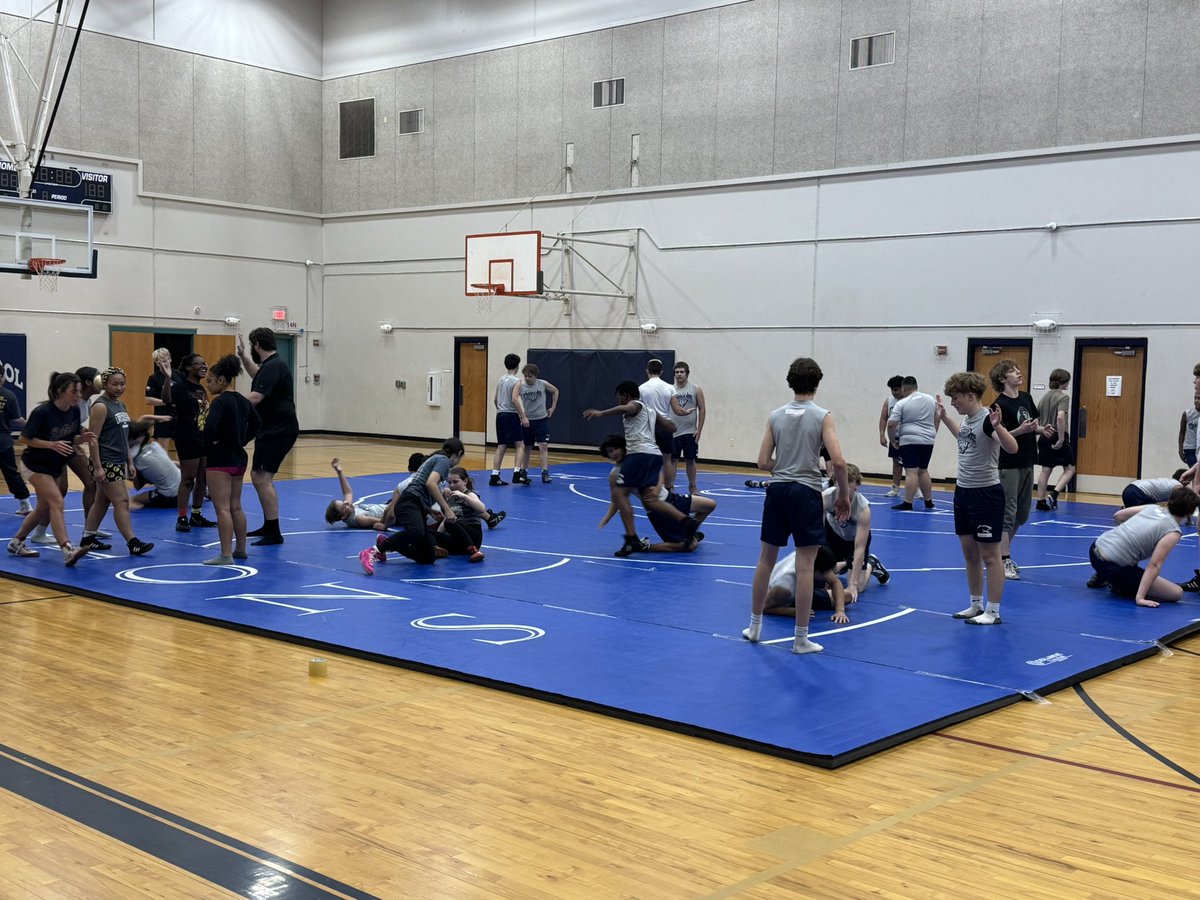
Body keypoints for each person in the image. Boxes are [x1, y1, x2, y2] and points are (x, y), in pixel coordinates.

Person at [742, 357, 849, 655]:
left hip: (778, 490)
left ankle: (754, 626)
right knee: (805, 567)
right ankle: (800, 639)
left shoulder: (775, 415)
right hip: (806, 492)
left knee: (765, 560)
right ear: (817, 383)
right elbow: (839, 461)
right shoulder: (823, 416)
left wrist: (785, 466)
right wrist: (843, 494)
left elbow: (762, 462)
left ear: (790, 382)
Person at [935, 372, 1018, 625]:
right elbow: (964, 437)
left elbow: (1012, 448)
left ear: (971, 396)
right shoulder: (969, 420)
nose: (953, 403)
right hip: (963, 492)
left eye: (956, 398)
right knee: (970, 554)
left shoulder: (987, 420)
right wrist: (945, 418)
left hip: (985, 494)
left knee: (990, 556)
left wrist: (999, 427)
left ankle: (993, 611)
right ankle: (975, 604)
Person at [583, 382, 698, 557]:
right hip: (654, 455)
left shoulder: (634, 405)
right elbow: (671, 427)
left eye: (619, 397)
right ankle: (685, 521)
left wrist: (601, 413)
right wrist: (655, 425)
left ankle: (632, 538)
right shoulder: (650, 411)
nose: (619, 401)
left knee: (619, 493)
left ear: (626, 395)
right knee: (649, 499)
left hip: (639, 453)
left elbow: (626, 408)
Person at [7, 372, 93, 566]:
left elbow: (70, 438)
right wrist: (50, 445)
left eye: (79, 391)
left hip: (54, 465)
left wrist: (82, 439)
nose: (78, 395)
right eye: (74, 391)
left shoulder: (74, 411)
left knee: (43, 507)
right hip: (34, 465)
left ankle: (16, 542)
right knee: (57, 501)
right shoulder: (42, 412)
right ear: (61, 391)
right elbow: (24, 438)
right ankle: (67, 549)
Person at [359, 438, 464, 573]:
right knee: (416, 532)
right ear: (459, 454)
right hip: (409, 502)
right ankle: (373, 551)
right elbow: (431, 484)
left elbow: (421, 487)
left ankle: (387, 543)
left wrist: (429, 510)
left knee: (427, 557)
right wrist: (447, 510)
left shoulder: (437, 459)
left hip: (416, 504)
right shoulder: (444, 461)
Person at [79, 368, 154, 556]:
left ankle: (88, 538)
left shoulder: (121, 405)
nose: (119, 388)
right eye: (114, 384)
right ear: (105, 384)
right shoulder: (100, 406)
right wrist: (98, 467)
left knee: (101, 501)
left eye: (122, 384)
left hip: (118, 461)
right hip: (106, 462)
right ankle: (133, 542)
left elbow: (124, 437)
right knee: (122, 501)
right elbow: (93, 439)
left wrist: (129, 461)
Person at [597, 434, 716, 552]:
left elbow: (659, 472)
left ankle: (689, 533)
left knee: (710, 505)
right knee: (690, 546)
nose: (614, 453)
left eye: (616, 449)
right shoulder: (615, 474)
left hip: (670, 498)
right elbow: (616, 500)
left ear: (622, 447)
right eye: (610, 451)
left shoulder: (636, 459)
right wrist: (607, 517)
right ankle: (643, 546)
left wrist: (658, 488)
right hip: (658, 511)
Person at [1086, 485, 1199, 606]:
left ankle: (1106, 576)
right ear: (1189, 512)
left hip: (1095, 550)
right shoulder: (1173, 532)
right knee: (1176, 593)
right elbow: (1154, 565)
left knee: (1129, 557)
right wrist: (1140, 598)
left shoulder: (1153, 508)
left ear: (1170, 500)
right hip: (1113, 568)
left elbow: (1118, 516)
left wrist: (1132, 530)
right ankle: (1117, 583)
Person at [29, 365, 103, 546]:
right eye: (98, 378)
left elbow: (73, 426)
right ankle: (39, 531)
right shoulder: (67, 403)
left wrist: (80, 437)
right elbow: (57, 425)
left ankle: (90, 528)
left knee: (92, 482)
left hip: (70, 444)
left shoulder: (85, 403)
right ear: (88, 382)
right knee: (59, 490)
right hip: (55, 448)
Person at [238, 327, 299, 544]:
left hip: (278, 429)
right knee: (260, 476)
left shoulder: (273, 366)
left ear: (256, 345)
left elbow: (255, 397)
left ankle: (274, 531)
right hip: (274, 428)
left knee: (261, 477)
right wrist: (243, 358)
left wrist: (230, 404)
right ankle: (269, 525)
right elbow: (257, 375)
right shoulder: (272, 366)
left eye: (251, 346)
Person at [201, 354, 260, 566]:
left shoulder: (219, 402)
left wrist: (211, 443)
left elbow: (210, 428)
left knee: (222, 508)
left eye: (210, 380)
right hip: (238, 459)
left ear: (221, 380)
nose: (207, 385)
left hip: (220, 460)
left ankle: (225, 555)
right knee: (236, 506)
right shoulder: (244, 401)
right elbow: (256, 424)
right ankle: (240, 549)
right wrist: (241, 440)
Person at [990, 359, 1043, 580]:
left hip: (1027, 461)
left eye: (1018, 369)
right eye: (1013, 371)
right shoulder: (998, 406)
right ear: (1003, 378)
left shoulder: (1026, 397)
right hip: (1009, 465)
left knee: (1021, 514)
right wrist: (1020, 430)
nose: (1018, 373)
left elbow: (1031, 426)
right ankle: (1004, 559)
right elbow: (999, 436)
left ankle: (1000, 553)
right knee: (1007, 513)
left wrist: (1041, 430)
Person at [161, 353, 216, 532]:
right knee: (188, 479)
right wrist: (167, 378)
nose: (204, 366)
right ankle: (182, 517)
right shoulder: (180, 387)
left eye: (205, 363)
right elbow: (166, 399)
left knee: (203, 479)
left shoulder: (201, 389)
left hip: (202, 438)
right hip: (186, 438)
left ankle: (197, 515)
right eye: (199, 363)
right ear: (188, 367)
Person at [822, 463, 889, 601]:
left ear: (856, 485)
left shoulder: (863, 508)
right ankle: (843, 564)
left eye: (848, 482)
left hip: (853, 541)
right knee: (819, 576)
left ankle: (871, 563)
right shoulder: (826, 497)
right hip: (833, 535)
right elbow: (817, 533)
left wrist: (852, 584)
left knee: (859, 587)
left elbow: (859, 548)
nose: (843, 485)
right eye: (840, 481)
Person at [762, 546, 851, 624]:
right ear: (817, 571)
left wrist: (840, 611)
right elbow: (765, 607)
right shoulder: (785, 587)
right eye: (825, 573)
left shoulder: (810, 557)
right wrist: (793, 612)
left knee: (846, 596)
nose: (827, 576)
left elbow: (835, 583)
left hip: (802, 587)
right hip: (786, 596)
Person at [887, 376, 937, 510]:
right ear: (916, 387)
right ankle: (928, 502)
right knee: (923, 470)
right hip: (928, 440)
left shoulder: (902, 403)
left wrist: (893, 441)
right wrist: (933, 432)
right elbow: (937, 417)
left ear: (903, 389)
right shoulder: (930, 399)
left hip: (910, 440)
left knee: (911, 472)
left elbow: (891, 424)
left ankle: (908, 503)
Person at [1035, 368, 1075, 510]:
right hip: (1057, 434)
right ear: (1063, 383)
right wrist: (1061, 438)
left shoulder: (1044, 398)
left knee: (1046, 470)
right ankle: (1055, 493)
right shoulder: (1063, 397)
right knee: (1070, 469)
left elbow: (1037, 419)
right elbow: (1060, 417)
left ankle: (1040, 501)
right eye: (1067, 382)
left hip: (1044, 436)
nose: (1068, 384)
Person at [512, 363, 558, 485]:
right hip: (528, 421)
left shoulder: (542, 383)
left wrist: (553, 407)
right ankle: (524, 471)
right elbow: (514, 400)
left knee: (543, 446)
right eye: (525, 376)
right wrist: (522, 416)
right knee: (527, 447)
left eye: (530, 376)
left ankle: (544, 472)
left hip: (542, 419)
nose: (527, 378)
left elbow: (555, 391)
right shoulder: (521, 387)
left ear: (535, 376)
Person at [432, 467, 487, 562]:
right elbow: (446, 519)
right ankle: (435, 549)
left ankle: (474, 551)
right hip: (460, 542)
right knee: (427, 531)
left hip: (473, 537)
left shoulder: (469, 494)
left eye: (455, 482)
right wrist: (437, 536)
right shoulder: (451, 496)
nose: (452, 485)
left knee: (449, 523)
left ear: (465, 481)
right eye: (449, 482)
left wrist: (464, 497)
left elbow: (482, 508)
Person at [325, 457, 397, 529]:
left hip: (387, 506)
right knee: (400, 491)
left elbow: (348, 493)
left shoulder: (349, 510)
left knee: (400, 491)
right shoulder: (359, 518)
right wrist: (393, 503)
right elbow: (383, 521)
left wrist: (339, 472)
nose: (346, 502)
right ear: (343, 516)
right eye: (344, 506)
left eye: (343, 502)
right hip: (395, 512)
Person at [667, 361, 705, 495]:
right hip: (674, 432)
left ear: (687, 373)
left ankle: (693, 487)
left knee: (690, 460)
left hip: (690, 432)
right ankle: (670, 487)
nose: (679, 374)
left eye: (682, 372)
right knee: (673, 460)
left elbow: (702, 409)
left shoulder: (695, 389)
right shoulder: (670, 390)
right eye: (677, 372)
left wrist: (699, 429)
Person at [127, 417, 181, 510]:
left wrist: (129, 501)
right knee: (172, 467)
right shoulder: (155, 446)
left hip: (172, 497)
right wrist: (159, 418)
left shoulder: (137, 459)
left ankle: (130, 500)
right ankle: (205, 491)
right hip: (185, 489)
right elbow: (143, 418)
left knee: (135, 498)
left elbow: (137, 486)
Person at [0, 365, 32, 515]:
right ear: (3, 377)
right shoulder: (8, 395)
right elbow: (17, 419)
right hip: (4, 441)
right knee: (11, 473)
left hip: (3, 440)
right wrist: (32, 426)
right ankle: (25, 503)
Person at [638, 358, 677, 478]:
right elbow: (677, 409)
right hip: (665, 425)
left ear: (647, 371)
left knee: (647, 458)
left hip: (649, 426)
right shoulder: (670, 387)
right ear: (661, 372)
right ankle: (669, 486)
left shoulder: (641, 388)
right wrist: (686, 412)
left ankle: (648, 484)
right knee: (667, 460)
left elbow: (639, 409)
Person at [490, 353, 522, 486]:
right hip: (511, 414)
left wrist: (500, 409)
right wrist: (523, 416)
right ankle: (517, 473)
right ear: (518, 366)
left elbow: (495, 399)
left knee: (501, 445)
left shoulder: (501, 379)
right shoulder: (516, 381)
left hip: (500, 414)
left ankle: (494, 475)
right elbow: (514, 399)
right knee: (520, 444)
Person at [144, 347, 176, 453]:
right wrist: (165, 402)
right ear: (156, 363)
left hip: (179, 416)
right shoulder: (154, 378)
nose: (164, 364)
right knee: (163, 450)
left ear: (170, 359)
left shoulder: (179, 375)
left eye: (166, 360)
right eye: (160, 362)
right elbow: (148, 400)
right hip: (163, 417)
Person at [878, 375, 905, 497]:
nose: (894, 392)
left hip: (909, 437)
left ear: (903, 388)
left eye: (896, 390)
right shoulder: (889, 401)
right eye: (892, 390)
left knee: (913, 465)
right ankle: (895, 488)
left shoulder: (911, 401)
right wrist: (882, 435)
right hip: (895, 437)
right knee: (896, 463)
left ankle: (917, 488)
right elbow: (884, 418)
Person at [1120, 471, 1187, 508]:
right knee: (1154, 512)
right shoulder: (1178, 486)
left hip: (1129, 489)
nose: (1190, 482)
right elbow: (1181, 503)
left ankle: (1125, 510)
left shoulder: (1169, 481)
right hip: (1138, 492)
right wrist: (1189, 520)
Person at [1177, 393, 1200, 466]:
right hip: (1190, 449)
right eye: (1195, 398)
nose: (1196, 400)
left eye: (1199, 398)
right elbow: (1182, 432)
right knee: (1194, 470)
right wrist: (1180, 450)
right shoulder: (1187, 414)